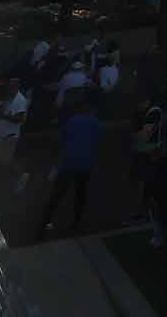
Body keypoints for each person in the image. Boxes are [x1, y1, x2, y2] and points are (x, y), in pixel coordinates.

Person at [39, 92, 101, 238]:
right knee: (81, 194)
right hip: (85, 164)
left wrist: (57, 161)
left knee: (57, 194)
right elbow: (96, 144)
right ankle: (76, 223)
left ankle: (45, 222)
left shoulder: (72, 121)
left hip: (68, 163)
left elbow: (62, 142)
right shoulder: (96, 123)